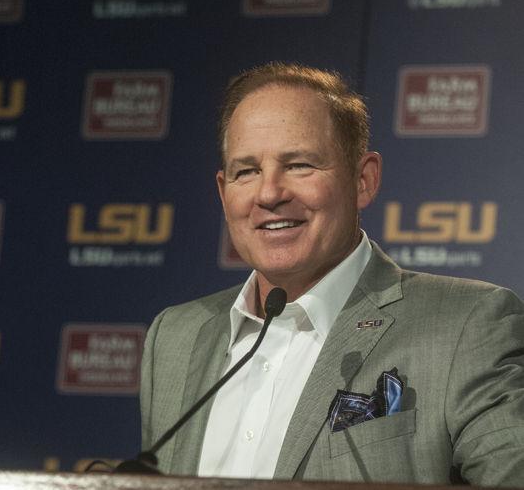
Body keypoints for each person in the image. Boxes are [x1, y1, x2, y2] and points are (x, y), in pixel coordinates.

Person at [139, 62, 524, 486]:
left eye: (300, 164)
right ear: (223, 190)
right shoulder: (174, 336)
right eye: (246, 171)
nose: (269, 193)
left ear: (364, 180)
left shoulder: (467, 324)